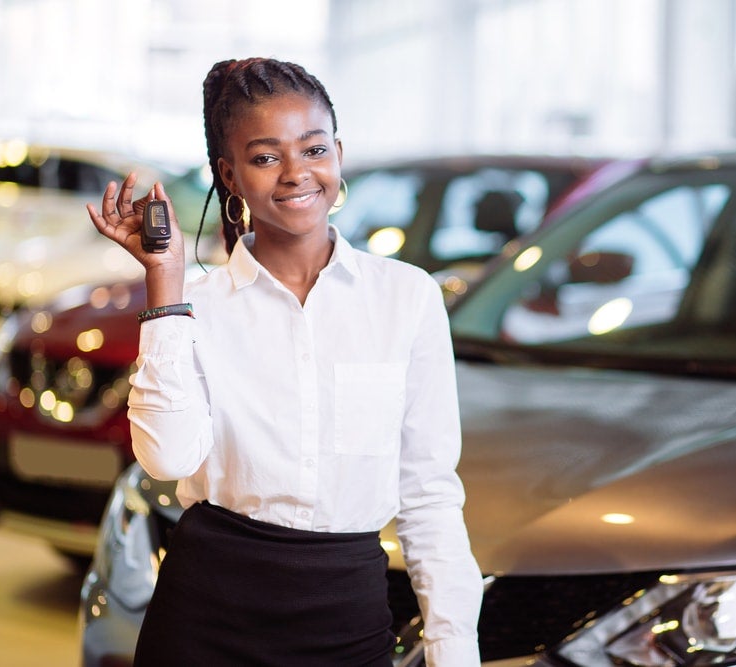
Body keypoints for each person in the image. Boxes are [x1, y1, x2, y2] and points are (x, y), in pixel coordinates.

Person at [87, 58, 483, 667]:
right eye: (267, 157)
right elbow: (167, 458)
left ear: (339, 154)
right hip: (206, 615)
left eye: (314, 149)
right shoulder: (200, 307)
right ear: (231, 175)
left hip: (346, 614)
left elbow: (428, 494)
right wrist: (165, 283)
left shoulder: (406, 298)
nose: (297, 174)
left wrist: (453, 652)